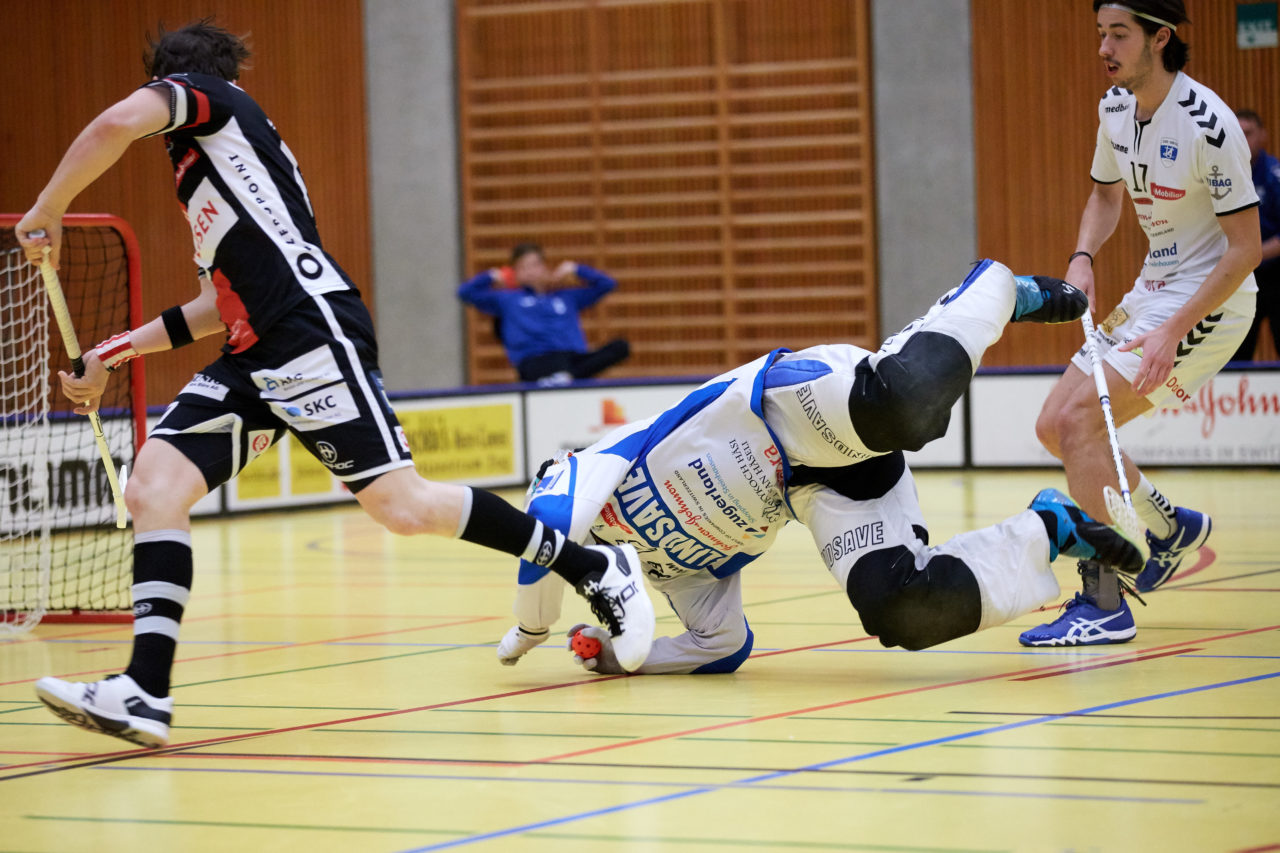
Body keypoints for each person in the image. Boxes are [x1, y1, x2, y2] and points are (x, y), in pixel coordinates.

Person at [14, 20, 655, 748]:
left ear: (175, 80)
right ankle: (145, 692)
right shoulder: (216, 174)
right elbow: (209, 308)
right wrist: (113, 352)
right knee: (154, 487)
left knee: (404, 505)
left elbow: (114, 122)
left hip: (309, 330)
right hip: (256, 351)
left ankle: (593, 564)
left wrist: (48, 208)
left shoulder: (208, 99)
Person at [493, 258, 1145, 674]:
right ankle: (1050, 529)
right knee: (900, 611)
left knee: (910, 410)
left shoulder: (584, 471)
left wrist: (530, 629)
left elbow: (550, 520)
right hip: (812, 488)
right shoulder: (667, 576)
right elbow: (720, 645)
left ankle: (997, 289)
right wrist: (616, 657)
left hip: (777, 409)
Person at [1024, 1, 1262, 647]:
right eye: (1101, 33)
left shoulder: (1208, 124)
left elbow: (1244, 249)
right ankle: (1169, 526)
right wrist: (1083, 258)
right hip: (1151, 289)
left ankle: (1105, 598)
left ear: (1160, 38)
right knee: (1054, 425)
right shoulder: (1115, 106)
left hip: (1211, 303)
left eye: (1119, 34)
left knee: (1080, 426)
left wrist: (1168, 330)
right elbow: (1104, 195)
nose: (1105, 46)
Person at [458, 243, 630, 385]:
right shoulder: (507, 299)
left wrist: (576, 269)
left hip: (573, 359)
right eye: (523, 267)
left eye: (534, 265)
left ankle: (565, 377)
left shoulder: (566, 296)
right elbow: (465, 293)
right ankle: (564, 378)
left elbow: (607, 284)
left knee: (620, 347)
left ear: (544, 267)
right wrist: (491, 276)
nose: (530, 271)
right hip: (536, 361)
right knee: (547, 366)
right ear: (515, 273)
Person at [1231, 109, 1280, 362]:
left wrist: (1252, 254)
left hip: (1276, 276)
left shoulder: (1274, 176)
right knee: (1236, 353)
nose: (1243, 140)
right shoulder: (1225, 176)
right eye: (1238, 134)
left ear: (1262, 136)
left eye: (1248, 133)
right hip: (1240, 278)